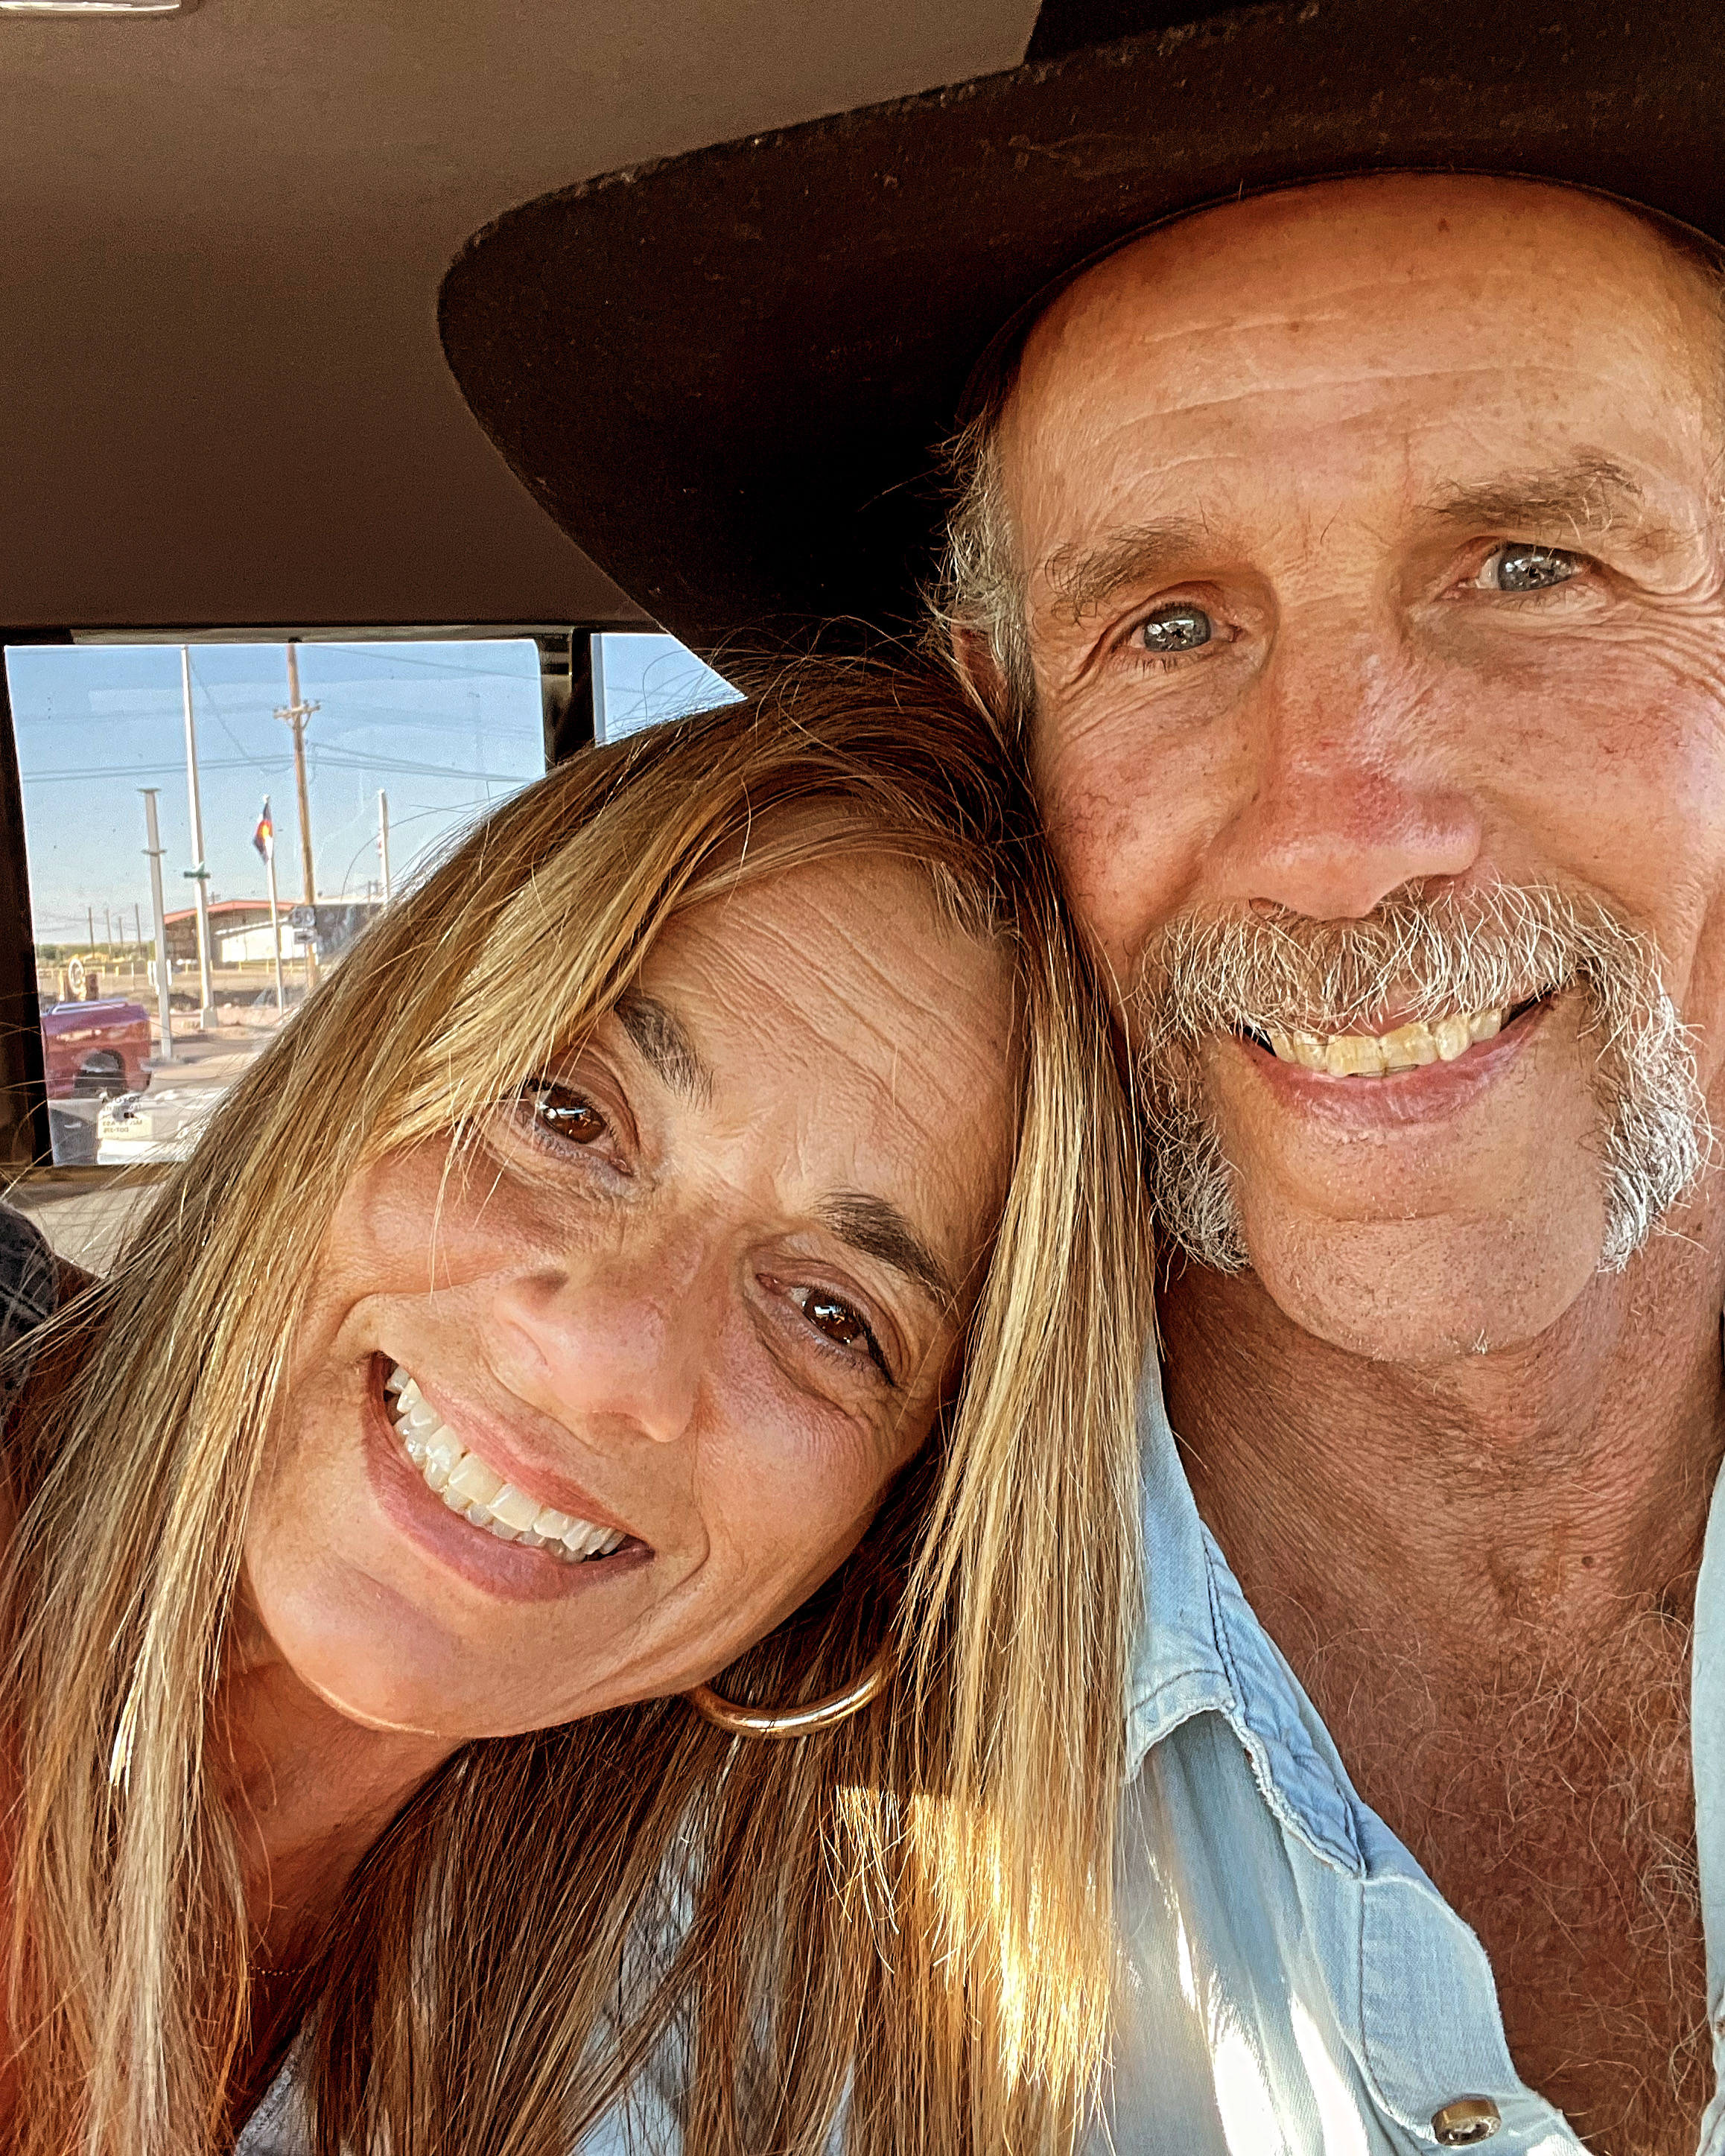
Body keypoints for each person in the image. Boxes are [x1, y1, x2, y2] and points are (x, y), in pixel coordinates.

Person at [439, 2, 1725, 2146]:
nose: (1339, 835)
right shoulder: (661, 1812)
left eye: (1531, 570)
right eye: (1170, 626)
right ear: (997, 720)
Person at [0, 664, 1148, 2156]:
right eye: (566, 1112)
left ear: (889, 1518)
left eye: (832, 1313)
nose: (609, 1356)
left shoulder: (750, 2033)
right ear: (354, 1072)